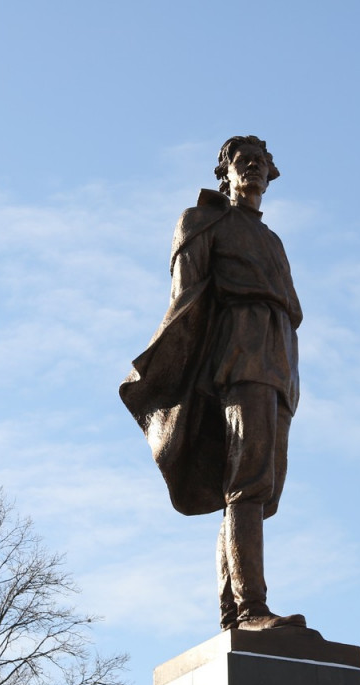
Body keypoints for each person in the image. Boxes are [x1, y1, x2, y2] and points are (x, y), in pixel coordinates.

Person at [120, 136, 306, 632]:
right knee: (247, 482)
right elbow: (185, 304)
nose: (253, 168)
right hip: (238, 355)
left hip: (279, 360)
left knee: (259, 491)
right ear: (224, 173)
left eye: (260, 162)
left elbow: (290, 309)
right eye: (241, 161)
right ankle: (250, 609)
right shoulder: (201, 221)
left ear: (272, 174)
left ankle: (234, 610)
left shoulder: (272, 240)